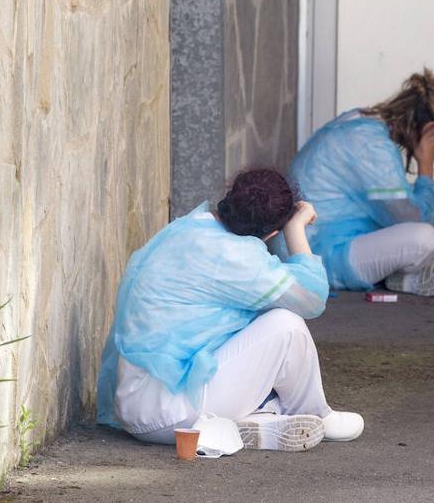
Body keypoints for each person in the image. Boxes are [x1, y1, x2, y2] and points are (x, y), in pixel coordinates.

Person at [96, 168, 363, 452]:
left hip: (135, 404)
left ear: (229, 196)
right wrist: (295, 228)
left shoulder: (189, 226)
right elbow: (311, 299)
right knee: (286, 324)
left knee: (255, 323)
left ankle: (257, 421)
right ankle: (314, 414)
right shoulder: (239, 257)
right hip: (172, 413)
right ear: (273, 232)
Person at [288, 69, 434, 296]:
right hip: (319, 254)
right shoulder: (372, 146)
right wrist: (427, 165)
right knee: (425, 237)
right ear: (431, 129)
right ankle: (411, 279)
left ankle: (410, 279)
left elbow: (395, 202)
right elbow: (410, 217)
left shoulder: (363, 123)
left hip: (333, 237)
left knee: (433, 221)